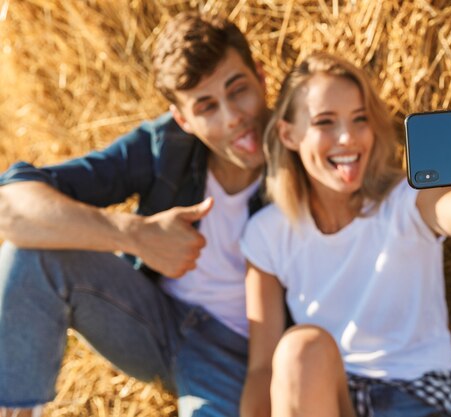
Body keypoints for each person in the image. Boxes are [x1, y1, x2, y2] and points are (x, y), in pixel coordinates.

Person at [239, 53, 451, 417]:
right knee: (299, 350)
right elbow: (262, 369)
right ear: (287, 133)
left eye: (360, 119)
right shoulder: (267, 234)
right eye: (325, 122)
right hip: (335, 399)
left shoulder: (406, 201)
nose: (348, 137)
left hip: (421, 398)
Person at [0, 12, 270, 417]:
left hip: (242, 354)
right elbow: (11, 207)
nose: (232, 117)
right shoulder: (164, 146)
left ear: (262, 77)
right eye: (206, 106)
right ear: (184, 119)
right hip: (153, 325)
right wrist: (133, 233)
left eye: (238, 90)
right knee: (30, 253)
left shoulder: (306, 146)